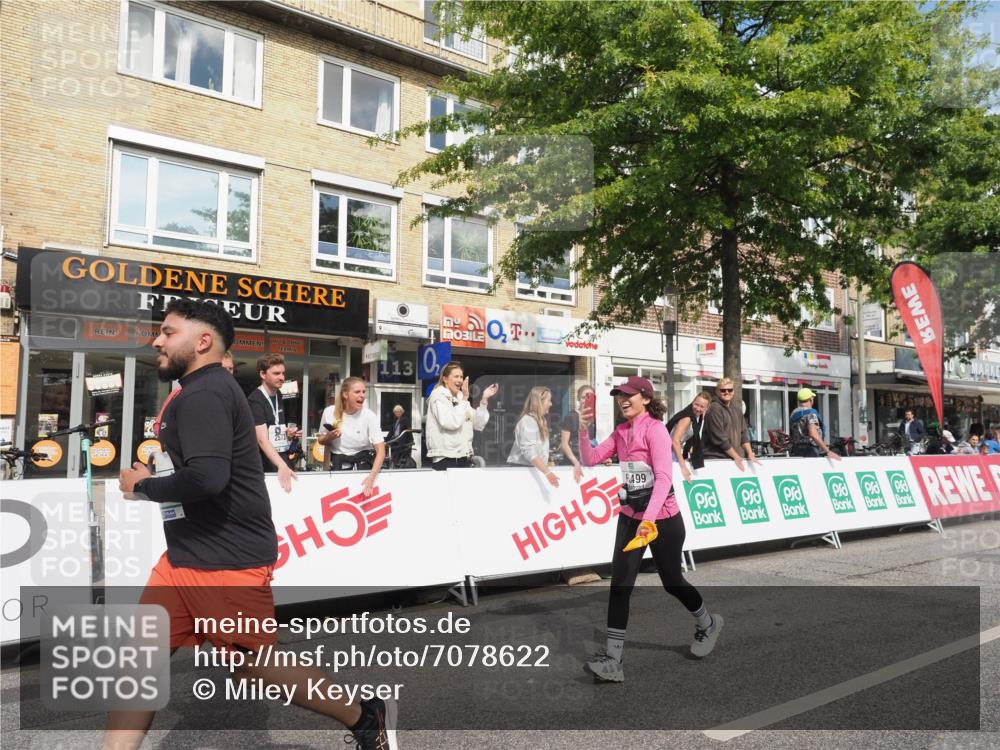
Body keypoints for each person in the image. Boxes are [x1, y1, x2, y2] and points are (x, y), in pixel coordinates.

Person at [113, 299, 396, 750]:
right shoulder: (199, 389)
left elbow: (207, 479)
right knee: (140, 661)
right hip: (186, 553)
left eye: (168, 332)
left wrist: (143, 485)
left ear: (202, 341)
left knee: (251, 665)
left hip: (225, 557)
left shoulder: (205, 393)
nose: (157, 340)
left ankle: (363, 716)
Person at [577, 375, 723, 683]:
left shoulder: (656, 431)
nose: (623, 400)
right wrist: (582, 429)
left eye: (628, 395)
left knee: (672, 581)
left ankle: (708, 623)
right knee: (620, 584)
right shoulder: (620, 432)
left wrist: (649, 520)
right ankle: (613, 660)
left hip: (664, 519)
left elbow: (663, 480)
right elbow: (590, 458)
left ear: (645, 398)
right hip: (631, 517)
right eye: (619, 395)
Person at [317, 377, 385, 496]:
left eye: (364, 392)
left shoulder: (369, 416)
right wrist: (330, 437)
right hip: (337, 464)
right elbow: (320, 440)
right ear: (345, 394)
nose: (362, 395)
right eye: (357, 392)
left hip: (363, 465)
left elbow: (381, 451)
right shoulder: (329, 412)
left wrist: (371, 477)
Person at [425, 361, 498, 469]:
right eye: (456, 376)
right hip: (446, 458)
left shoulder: (461, 398)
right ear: (445, 379)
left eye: (461, 377)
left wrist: (484, 400)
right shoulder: (438, 397)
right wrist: (464, 398)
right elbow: (451, 423)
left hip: (464, 457)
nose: (460, 380)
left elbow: (478, 424)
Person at [247, 353, 300, 493]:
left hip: (281, 459)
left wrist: (287, 433)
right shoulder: (255, 400)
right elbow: (262, 440)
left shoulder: (279, 395)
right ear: (263, 374)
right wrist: (281, 465)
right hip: (264, 465)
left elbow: (274, 428)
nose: (282, 377)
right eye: (276, 373)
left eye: (283, 373)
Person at [703, 378, 760, 470]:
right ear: (717, 392)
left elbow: (743, 435)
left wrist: (750, 453)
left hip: (731, 459)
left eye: (730, 390)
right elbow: (720, 439)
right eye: (723, 390)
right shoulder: (714, 409)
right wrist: (736, 456)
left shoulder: (736, 410)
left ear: (733, 391)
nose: (727, 392)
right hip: (715, 460)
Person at [508, 386, 559, 487]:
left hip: (530, 470)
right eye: (549, 400)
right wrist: (547, 472)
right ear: (539, 402)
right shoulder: (528, 421)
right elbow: (529, 451)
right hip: (521, 471)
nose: (551, 404)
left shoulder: (541, 420)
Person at [667, 391, 712, 482]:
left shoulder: (697, 418)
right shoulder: (687, 418)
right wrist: (683, 466)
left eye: (702, 407)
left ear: (706, 408)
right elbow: (675, 440)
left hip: (674, 450)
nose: (698, 408)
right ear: (692, 402)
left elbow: (691, 436)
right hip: (668, 451)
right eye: (696, 404)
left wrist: (691, 449)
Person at [788, 388, 841, 460]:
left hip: (797, 449)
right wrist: (827, 451)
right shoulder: (811, 414)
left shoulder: (793, 414)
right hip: (810, 450)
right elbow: (813, 434)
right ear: (811, 400)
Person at [560, 384, 596, 483]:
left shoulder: (593, 418)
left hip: (587, 464)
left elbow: (592, 442)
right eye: (584, 397)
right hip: (571, 464)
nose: (586, 400)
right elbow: (564, 444)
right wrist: (576, 463)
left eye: (590, 397)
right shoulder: (571, 416)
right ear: (579, 399)